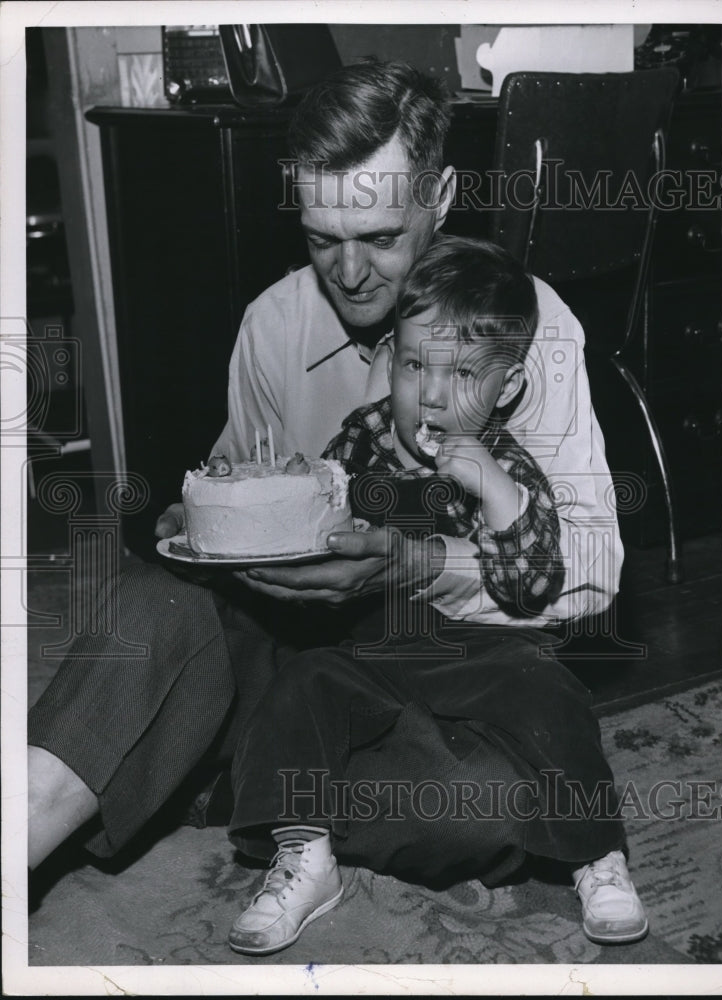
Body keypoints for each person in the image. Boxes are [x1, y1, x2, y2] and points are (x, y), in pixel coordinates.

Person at [27, 61, 628, 948]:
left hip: (452, 673)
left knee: (483, 801)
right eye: (320, 238)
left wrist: (422, 565)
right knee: (159, 600)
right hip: (298, 657)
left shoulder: (531, 330)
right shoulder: (273, 325)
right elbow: (241, 505)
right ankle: (29, 821)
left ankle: (226, 781)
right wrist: (210, 522)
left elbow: (596, 574)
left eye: (381, 236)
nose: (348, 272)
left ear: (443, 197)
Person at [225, 236, 646, 955]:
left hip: (485, 653)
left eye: (464, 376)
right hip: (373, 647)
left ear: (507, 389)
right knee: (302, 682)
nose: (434, 393)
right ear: (390, 358)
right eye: (417, 365)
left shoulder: (507, 464)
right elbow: (319, 523)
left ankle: (594, 851)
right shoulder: (359, 441)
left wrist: (497, 491)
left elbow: (533, 581)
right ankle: (304, 854)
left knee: (549, 692)